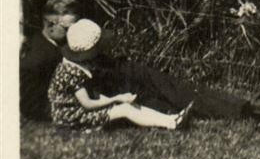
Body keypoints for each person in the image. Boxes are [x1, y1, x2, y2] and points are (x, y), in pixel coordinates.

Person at [20, 0, 260, 125]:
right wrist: (82, 106)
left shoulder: (64, 43)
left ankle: (253, 108)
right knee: (164, 100)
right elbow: (34, 104)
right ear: (51, 24)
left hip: (112, 75)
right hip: (101, 91)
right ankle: (254, 111)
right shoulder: (37, 58)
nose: (75, 32)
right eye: (70, 27)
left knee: (172, 86)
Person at [49, 19, 192, 131]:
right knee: (124, 109)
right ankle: (171, 123)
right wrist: (116, 98)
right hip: (73, 119)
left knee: (126, 105)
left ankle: (171, 119)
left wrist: (116, 99)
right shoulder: (72, 73)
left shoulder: (72, 64)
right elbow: (88, 104)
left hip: (76, 111)